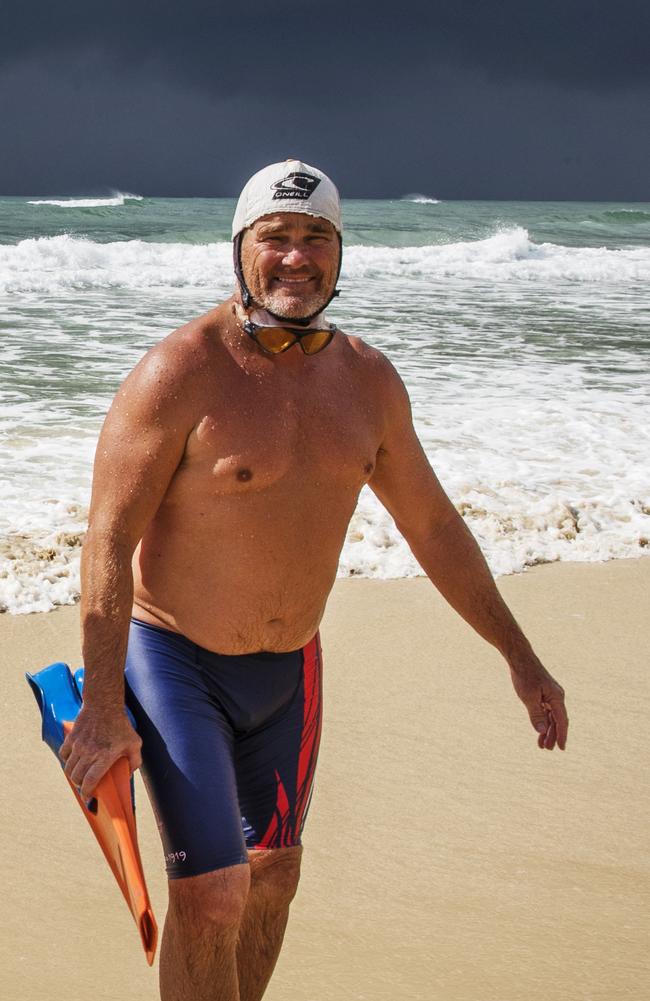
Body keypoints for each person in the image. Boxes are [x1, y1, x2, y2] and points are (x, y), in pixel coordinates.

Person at [60, 159, 568, 1001]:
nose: (297, 258)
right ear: (239, 250)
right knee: (214, 893)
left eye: (316, 238)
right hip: (174, 659)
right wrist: (106, 705)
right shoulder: (179, 372)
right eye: (276, 238)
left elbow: (434, 527)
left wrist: (520, 656)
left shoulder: (367, 382)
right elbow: (109, 541)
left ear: (339, 253)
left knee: (274, 877)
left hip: (290, 672)